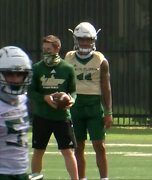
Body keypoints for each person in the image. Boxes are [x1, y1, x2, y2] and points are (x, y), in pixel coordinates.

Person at [65, 22, 112, 180]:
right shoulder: (69, 57)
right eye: (81, 39)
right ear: (76, 40)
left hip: (93, 106)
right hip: (75, 105)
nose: (84, 43)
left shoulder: (101, 60)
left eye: (88, 39)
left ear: (94, 40)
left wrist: (109, 111)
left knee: (100, 145)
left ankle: (104, 178)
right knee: (78, 147)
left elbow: (106, 87)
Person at [28, 35, 79, 180]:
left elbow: (73, 91)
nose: (46, 52)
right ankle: (36, 178)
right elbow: (31, 91)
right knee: (38, 151)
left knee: (68, 151)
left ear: (57, 49)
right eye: (44, 49)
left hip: (62, 117)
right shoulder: (37, 68)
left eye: (49, 49)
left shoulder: (67, 68)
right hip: (42, 116)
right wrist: (44, 98)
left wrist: (71, 100)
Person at [0, 46, 32, 180]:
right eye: (10, 74)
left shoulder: (22, 99)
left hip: (21, 172)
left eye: (20, 74)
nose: (15, 79)